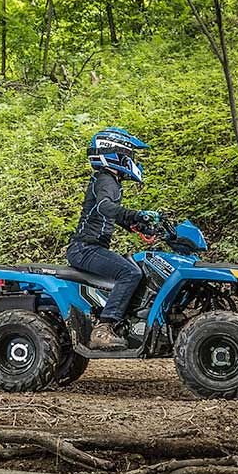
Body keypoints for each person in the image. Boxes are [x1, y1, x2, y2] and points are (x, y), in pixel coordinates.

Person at [66, 128, 160, 351]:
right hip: (85, 248)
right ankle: (103, 328)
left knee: (136, 268)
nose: (132, 161)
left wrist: (136, 224)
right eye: (130, 155)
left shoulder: (109, 180)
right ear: (116, 154)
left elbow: (107, 214)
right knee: (130, 272)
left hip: (89, 248)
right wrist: (135, 215)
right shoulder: (106, 178)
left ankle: (125, 322)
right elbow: (105, 207)